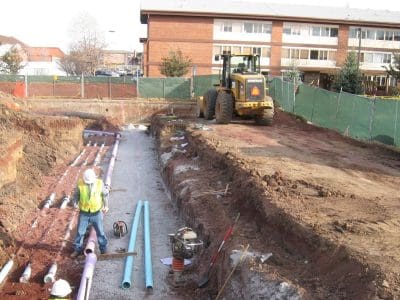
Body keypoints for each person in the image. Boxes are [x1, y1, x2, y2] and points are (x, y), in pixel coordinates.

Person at [71, 168, 109, 258]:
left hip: (96, 213)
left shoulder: (99, 183)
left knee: (100, 232)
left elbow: (104, 195)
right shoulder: (80, 184)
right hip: (84, 213)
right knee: (80, 232)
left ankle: (103, 249)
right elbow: (76, 196)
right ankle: (77, 250)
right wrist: (75, 203)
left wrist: (106, 206)